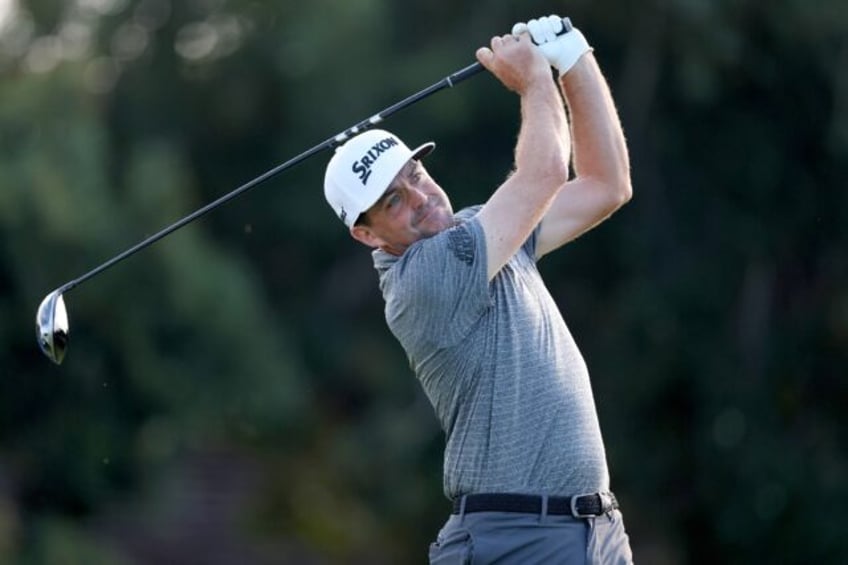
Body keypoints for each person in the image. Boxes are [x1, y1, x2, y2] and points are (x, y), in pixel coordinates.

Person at [323, 14, 633, 564]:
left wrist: (574, 59)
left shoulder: (482, 230)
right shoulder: (423, 278)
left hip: (591, 531)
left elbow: (605, 185)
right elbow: (543, 176)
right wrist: (535, 80)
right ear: (366, 234)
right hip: (516, 539)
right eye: (392, 201)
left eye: (414, 174)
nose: (419, 197)